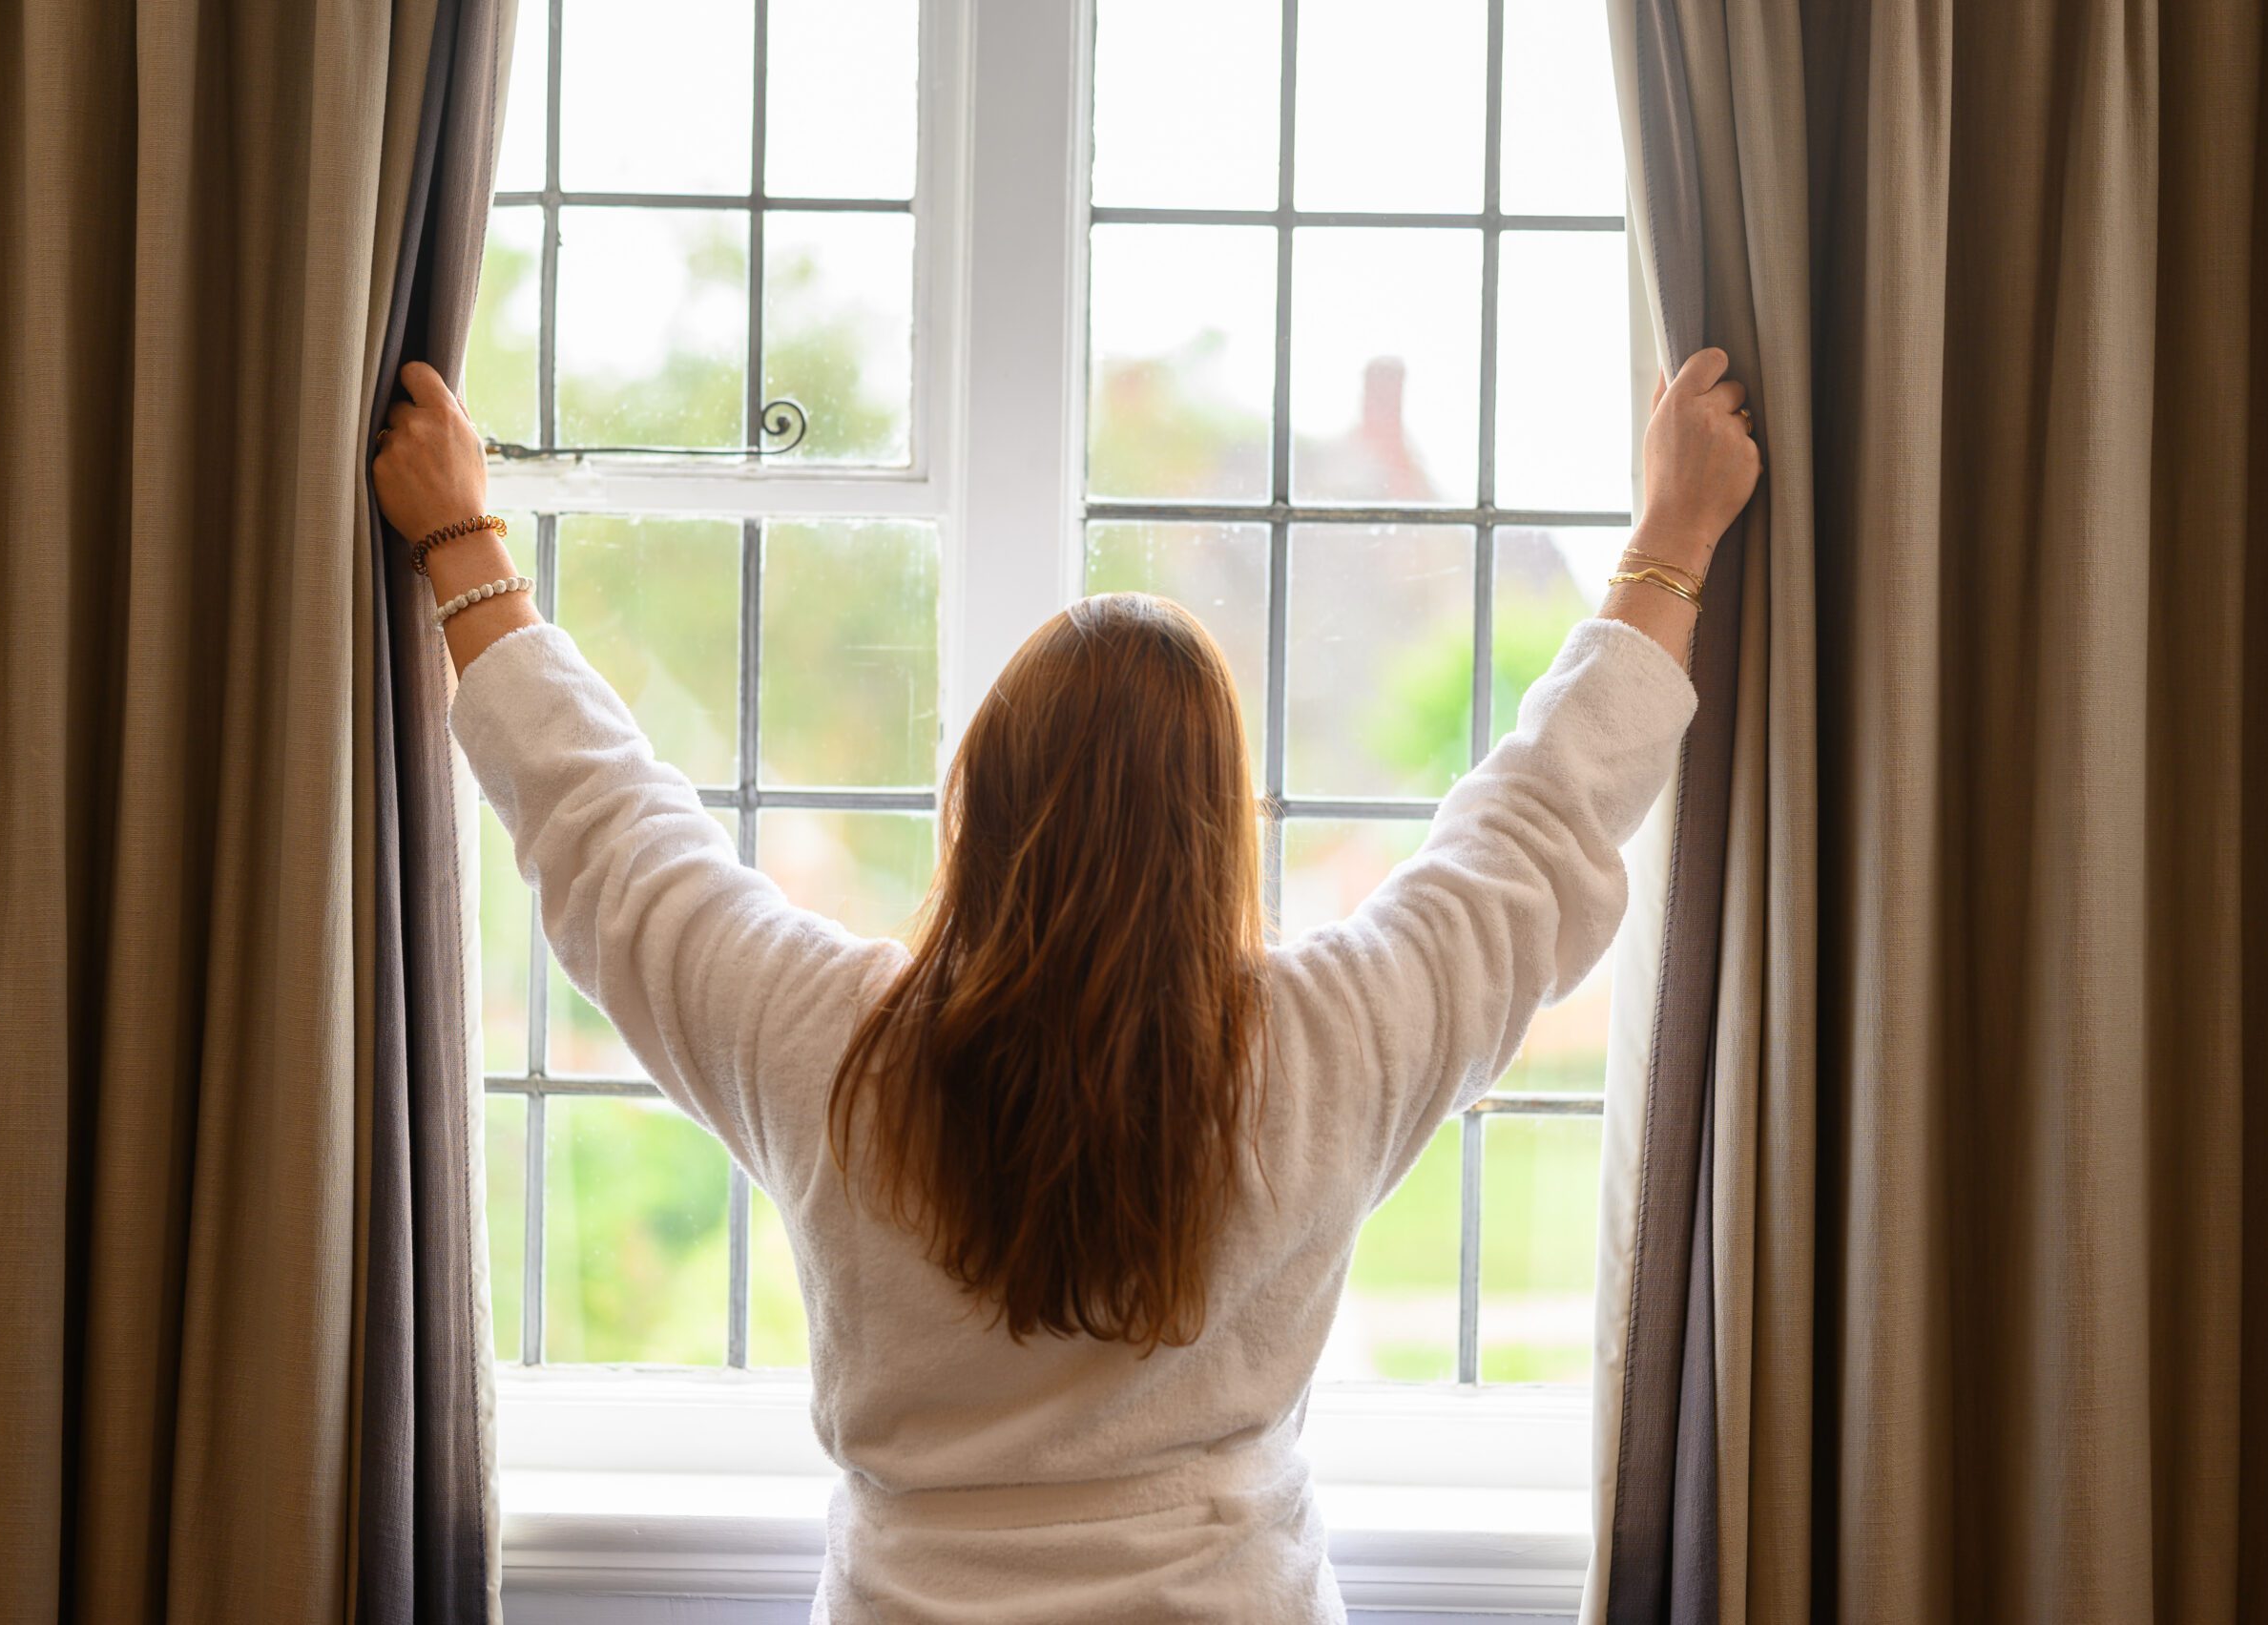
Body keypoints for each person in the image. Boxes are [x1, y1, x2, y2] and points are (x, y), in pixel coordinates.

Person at [374, 346, 1758, 1623]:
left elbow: (612, 837)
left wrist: (462, 544)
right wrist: (1674, 536)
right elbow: (1536, 824)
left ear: (973, 800)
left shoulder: (832, 1048)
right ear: (1228, 835)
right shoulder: (1326, 1049)